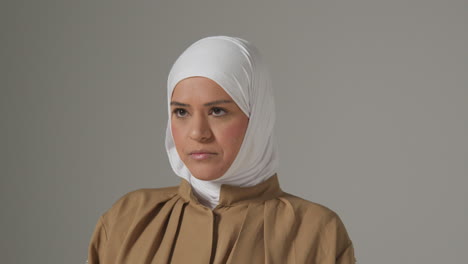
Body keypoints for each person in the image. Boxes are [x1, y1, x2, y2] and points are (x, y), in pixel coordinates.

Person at [87, 36, 356, 263]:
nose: (197, 133)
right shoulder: (128, 218)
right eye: (181, 112)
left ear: (257, 117)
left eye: (217, 111)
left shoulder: (316, 231)